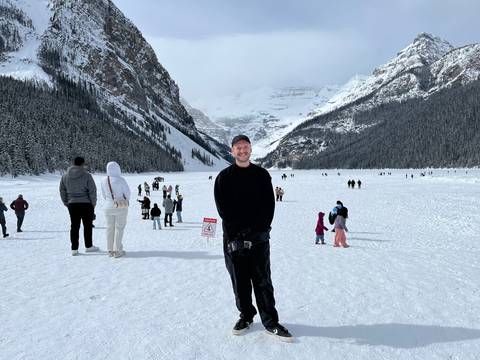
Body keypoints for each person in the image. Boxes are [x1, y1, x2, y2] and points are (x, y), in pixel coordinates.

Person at [214, 134, 292, 342]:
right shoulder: (224, 177)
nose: (242, 150)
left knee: (263, 281)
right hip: (233, 240)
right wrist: (238, 234)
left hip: (258, 239)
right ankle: (246, 316)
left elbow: (268, 207)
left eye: (245, 147)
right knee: (239, 283)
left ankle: (270, 322)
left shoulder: (261, 175)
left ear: (250, 149)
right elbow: (224, 211)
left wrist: (258, 231)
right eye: (238, 147)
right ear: (232, 151)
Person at [59, 157, 99, 256]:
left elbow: (62, 191)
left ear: (73, 163)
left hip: (72, 204)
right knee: (88, 225)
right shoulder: (87, 175)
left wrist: (66, 202)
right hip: (86, 204)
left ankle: (74, 249)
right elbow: (92, 191)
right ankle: (89, 246)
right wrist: (93, 204)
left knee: (74, 226)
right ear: (83, 164)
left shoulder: (65, 176)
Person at [100, 161, 130, 258]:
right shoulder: (121, 180)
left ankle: (110, 250)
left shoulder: (104, 180)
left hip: (107, 207)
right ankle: (117, 251)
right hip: (120, 207)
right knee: (119, 228)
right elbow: (128, 194)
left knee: (109, 229)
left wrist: (110, 200)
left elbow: (104, 195)